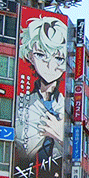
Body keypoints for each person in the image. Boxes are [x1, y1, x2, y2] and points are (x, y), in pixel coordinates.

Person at [15, 16, 67, 163]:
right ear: (30, 56)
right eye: (40, 55)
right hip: (23, 177)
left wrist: (61, 138)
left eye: (58, 58)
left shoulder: (68, 108)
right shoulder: (21, 104)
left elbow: (77, 160)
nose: (50, 65)